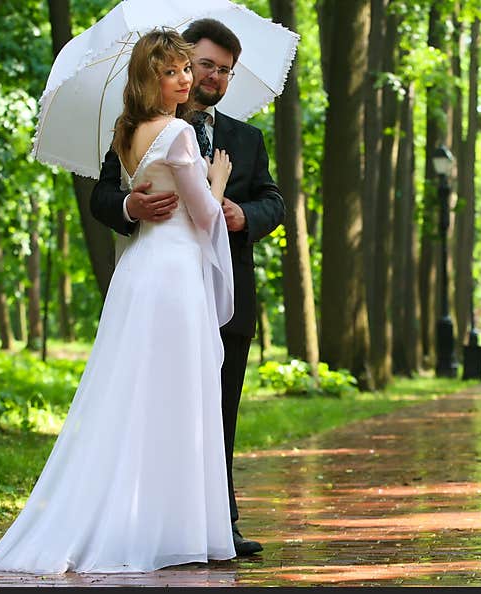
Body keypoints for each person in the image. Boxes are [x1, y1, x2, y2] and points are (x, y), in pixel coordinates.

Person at [0, 29, 236, 573]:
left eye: (187, 69)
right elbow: (207, 218)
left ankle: (142, 520)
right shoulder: (181, 134)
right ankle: (167, 529)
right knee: (174, 395)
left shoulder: (128, 132)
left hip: (139, 270)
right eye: (172, 72)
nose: (186, 80)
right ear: (149, 78)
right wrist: (217, 180)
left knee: (136, 393)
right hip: (173, 273)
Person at [90, 19, 285, 556]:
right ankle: (153, 521)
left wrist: (241, 214)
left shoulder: (247, 138)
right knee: (158, 405)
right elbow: (105, 194)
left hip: (226, 296)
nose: (214, 77)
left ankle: (220, 522)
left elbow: (275, 201)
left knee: (217, 412)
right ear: (178, 65)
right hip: (168, 286)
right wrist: (131, 205)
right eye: (204, 66)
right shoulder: (142, 126)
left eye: (225, 70)